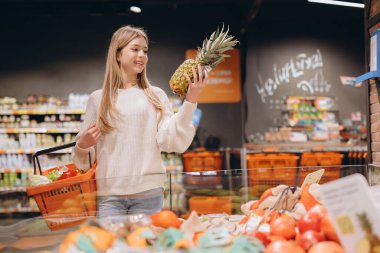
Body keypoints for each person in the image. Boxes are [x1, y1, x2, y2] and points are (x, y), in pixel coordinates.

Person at [72, 25, 208, 216]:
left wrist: (190, 100)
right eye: (135, 49)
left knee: (145, 245)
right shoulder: (98, 99)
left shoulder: (155, 95)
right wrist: (83, 146)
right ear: (118, 54)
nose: (142, 55)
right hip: (109, 195)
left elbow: (172, 141)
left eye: (145, 50)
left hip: (149, 194)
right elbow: (82, 163)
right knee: (112, 246)